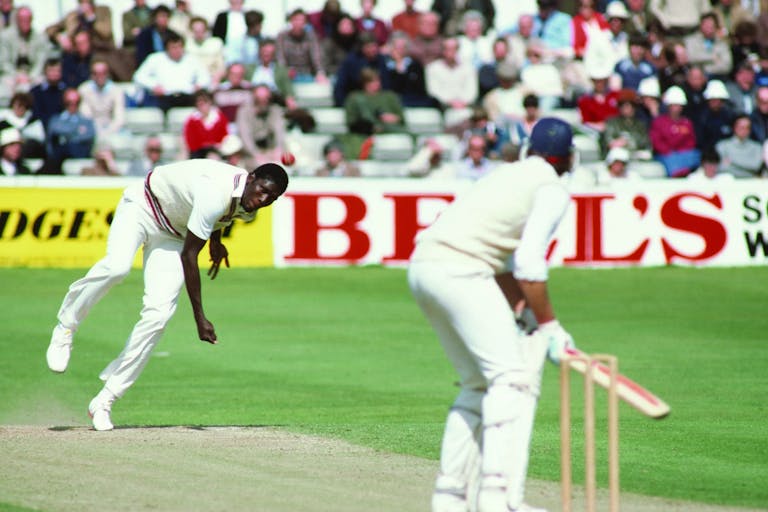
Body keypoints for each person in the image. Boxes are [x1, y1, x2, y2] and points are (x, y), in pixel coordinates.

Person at [408, 117, 577, 512]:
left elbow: (500, 261)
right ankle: (497, 499)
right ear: (568, 157)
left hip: (423, 267)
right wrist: (551, 327)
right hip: (460, 271)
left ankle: (449, 498)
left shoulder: (506, 176)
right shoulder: (551, 188)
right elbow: (530, 263)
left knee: (476, 384)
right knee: (511, 379)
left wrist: (525, 312)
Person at [46, 159, 289, 431]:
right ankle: (66, 326)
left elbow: (223, 216)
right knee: (117, 268)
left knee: (159, 316)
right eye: (263, 190)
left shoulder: (249, 206)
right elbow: (190, 255)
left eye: (273, 198)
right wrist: (200, 318)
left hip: (174, 234)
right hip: (143, 207)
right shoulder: (216, 190)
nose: (264, 200)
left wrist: (217, 242)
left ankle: (105, 400)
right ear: (251, 177)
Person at [77, 59, 126, 143]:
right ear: (91, 75)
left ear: (108, 74)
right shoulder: (84, 89)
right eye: (96, 73)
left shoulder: (117, 91)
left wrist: (107, 133)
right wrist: (96, 131)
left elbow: (119, 118)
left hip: (112, 129)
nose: (100, 76)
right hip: (91, 129)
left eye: (103, 73)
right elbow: (85, 115)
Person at [182, 89, 228, 158]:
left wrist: (214, 145)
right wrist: (204, 145)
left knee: (213, 157)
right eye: (199, 103)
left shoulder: (220, 118)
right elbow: (191, 141)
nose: (202, 105)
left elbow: (225, 136)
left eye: (204, 102)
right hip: (198, 152)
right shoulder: (192, 120)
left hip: (217, 150)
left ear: (210, 102)